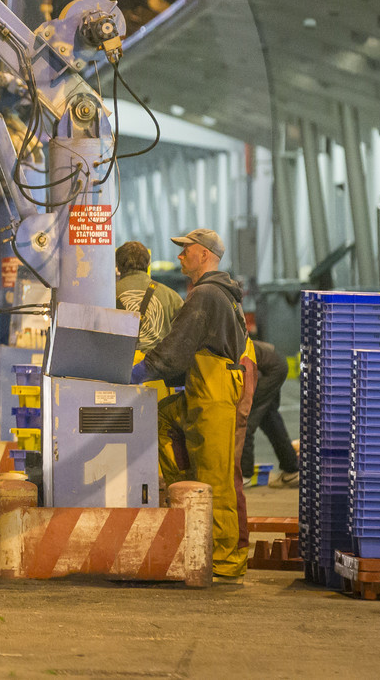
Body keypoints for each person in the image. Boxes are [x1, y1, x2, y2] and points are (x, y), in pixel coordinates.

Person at [132, 227, 252, 580]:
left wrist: (135, 373)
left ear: (205, 254)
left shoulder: (206, 294)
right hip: (206, 386)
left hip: (213, 390)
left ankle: (226, 559)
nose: (181, 255)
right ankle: (187, 496)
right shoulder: (221, 293)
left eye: (187, 249)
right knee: (160, 418)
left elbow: (175, 348)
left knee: (217, 477)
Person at [242, 337, 299, 487]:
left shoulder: (225, 347)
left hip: (270, 369)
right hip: (273, 364)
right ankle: (291, 470)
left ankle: (244, 475)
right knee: (270, 420)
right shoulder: (228, 340)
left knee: (244, 421)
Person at [115, 240, 183, 354]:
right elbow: (182, 336)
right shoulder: (172, 297)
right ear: (148, 263)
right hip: (157, 363)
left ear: (117, 265)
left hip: (119, 362)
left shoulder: (107, 294)